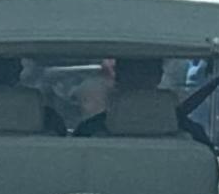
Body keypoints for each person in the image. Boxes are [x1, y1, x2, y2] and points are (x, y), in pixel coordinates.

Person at [75, 58, 211, 146]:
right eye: (133, 73)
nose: (137, 77)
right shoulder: (194, 138)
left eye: (142, 73)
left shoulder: (87, 134)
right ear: (159, 76)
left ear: (117, 76)